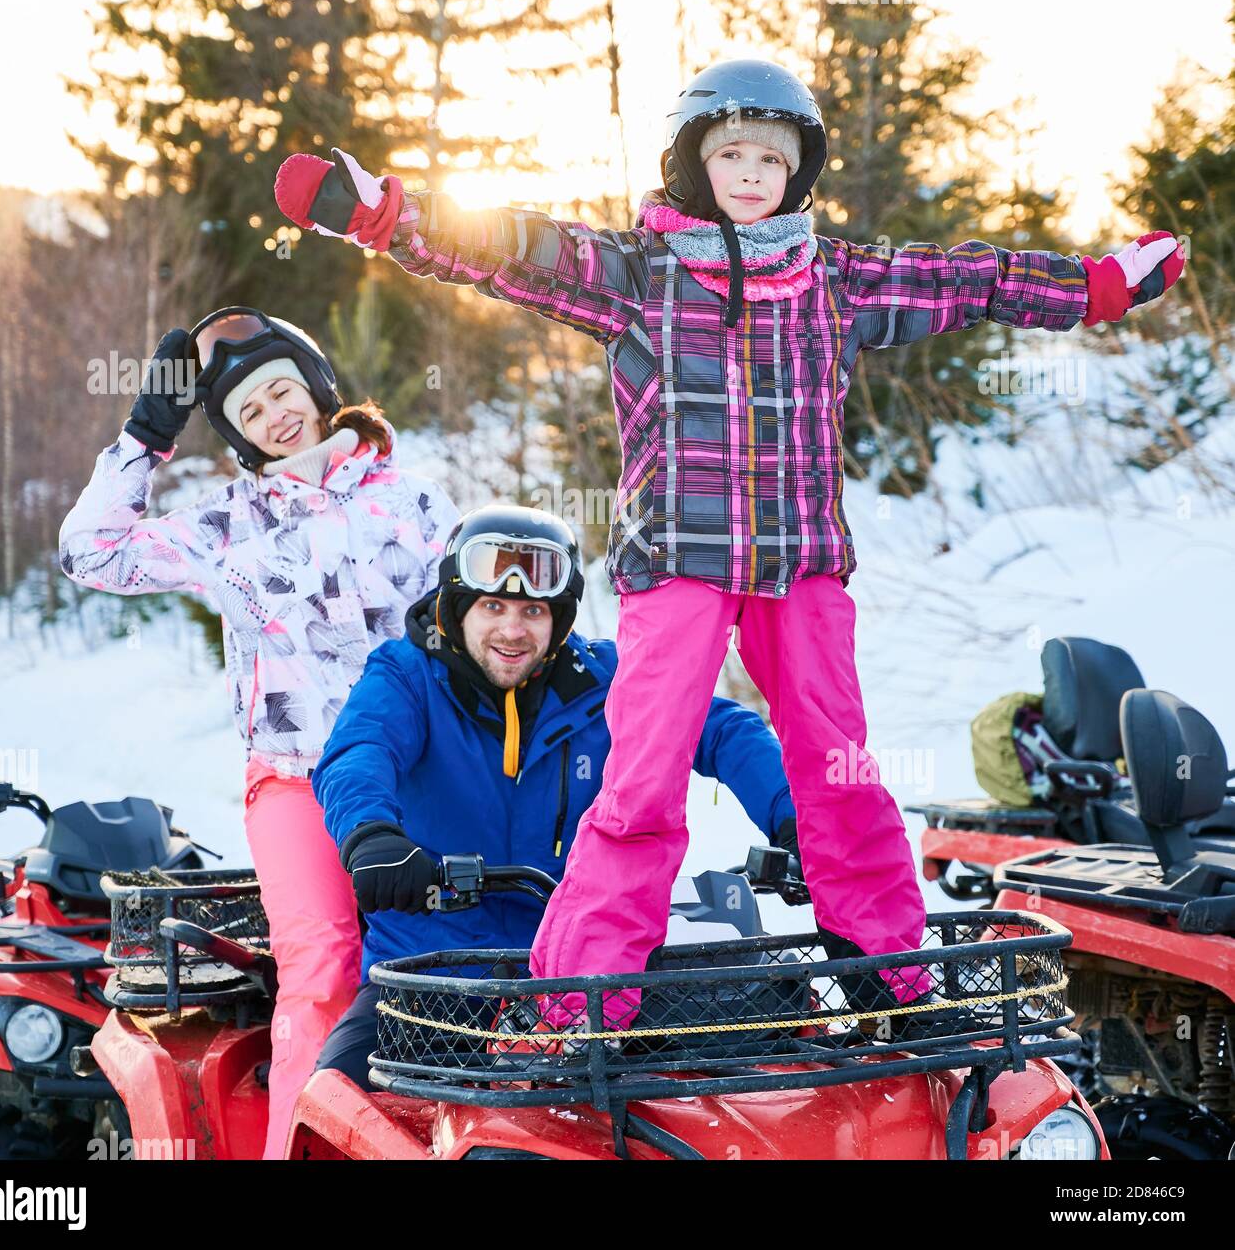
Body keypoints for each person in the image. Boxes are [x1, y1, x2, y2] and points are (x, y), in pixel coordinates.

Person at [273, 58, 1186, 1029]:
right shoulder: (642, 274)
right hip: (679, 560)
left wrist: (1090, 287)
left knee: (839, 767)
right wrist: (386, 217)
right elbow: (513, 249)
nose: (750, 173)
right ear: (692, 163)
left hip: (802, 565)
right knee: (643, 770)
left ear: (796, 174)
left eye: (771, 158)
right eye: (731, 154)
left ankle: (893, 974)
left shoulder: (832, 279)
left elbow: (965, 280)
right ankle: (587, 992)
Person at [58, 307, 460, 1155]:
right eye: (248, 413)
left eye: (281, 390)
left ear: (315, 387)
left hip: (415, 772)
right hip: (294, 776)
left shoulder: (414, 501)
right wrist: (147, 434)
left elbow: (479, 631)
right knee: (318, 971)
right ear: (239, 438)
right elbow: (89, 553)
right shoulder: (225, 524)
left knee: (440, 972)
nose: (274, 414)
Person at [311, 504, 797, 1081]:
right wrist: (372, 836)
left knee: (730, 1085)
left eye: (533, 612)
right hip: (433, 980)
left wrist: (796, 820)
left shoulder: (604, 682)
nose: (513, 631)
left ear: (559, 620)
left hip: (590, 982)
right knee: (338, 1096)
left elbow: (720, 729)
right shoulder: (406, 676)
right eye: (493, 607)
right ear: (456, 607)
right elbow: (359, 751)